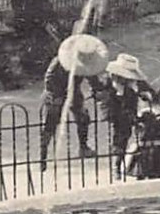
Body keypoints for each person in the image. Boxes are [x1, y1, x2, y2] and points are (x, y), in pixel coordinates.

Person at [38, 33, 109, 168]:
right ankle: (43, 155)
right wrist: (53, 95)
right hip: (56, 91)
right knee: (50, 123)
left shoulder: (88, 62)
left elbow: (92, 76)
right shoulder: (60, 60)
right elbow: (49, 77)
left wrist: (98, 89)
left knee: (83, 117)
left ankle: (83, 147)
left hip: (74, 91)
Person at [103, 53, 152, 177]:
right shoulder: (110, 82)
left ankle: (133, 165)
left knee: (130, 135)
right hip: (117, 111)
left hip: (130, 109)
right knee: (120, 137)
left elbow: (146, 89)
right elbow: (108, 100)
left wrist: (144, 94)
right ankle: (116, 166)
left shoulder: (133, 83)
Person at [9, 0, 60, 76]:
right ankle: (36, 68)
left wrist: (51, 21)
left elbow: (48, 8)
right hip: (28, 27)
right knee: (43, 41)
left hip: (41, 25)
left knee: (57, 36)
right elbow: (25, 13)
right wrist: (43, 22)